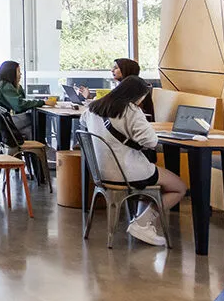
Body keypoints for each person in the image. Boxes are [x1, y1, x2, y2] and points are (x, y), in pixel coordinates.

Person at [80, 76, 187, 246]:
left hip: (102, 172)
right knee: (179, 187)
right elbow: (151, 142)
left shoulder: (94, 108)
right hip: (128, 172)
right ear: (137, 95)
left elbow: (83, 122)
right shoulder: (130, 110)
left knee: (150, 184)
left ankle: (140, 219)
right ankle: (143, 223)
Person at [0, 60, 42, 138]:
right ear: (11, 73)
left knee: (28, 129)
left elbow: (18, 106)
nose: (20, 74)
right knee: (35, 117)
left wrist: (18, 88)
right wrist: (42, 102)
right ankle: (42, 148)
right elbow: (19, 106)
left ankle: (33, 149)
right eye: (18, 71)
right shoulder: (5, 85)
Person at [77, 58, 154, 119]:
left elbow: (117, 108)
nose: (112, 70)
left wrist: (91, 100)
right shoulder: (122, 87)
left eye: (116, 68)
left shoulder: (136, 88)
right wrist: (89, 98)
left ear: (125, 70)